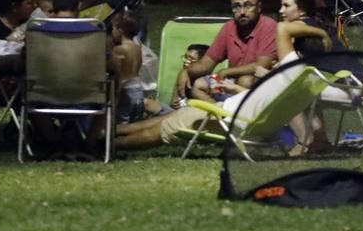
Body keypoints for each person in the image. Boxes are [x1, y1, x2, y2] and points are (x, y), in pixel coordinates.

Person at [116, 17, 332, 149]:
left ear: (299, 52)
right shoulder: (311, 80)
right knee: (168, 118)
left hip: (223, 119)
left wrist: (322, 33)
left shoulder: (292, 67)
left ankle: (109, 143)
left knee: (159, 130)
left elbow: (282, 28)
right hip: (228, 114)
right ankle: (109, 134)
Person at [172, 0, 278, 100]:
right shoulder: (229, 27)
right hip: (232, 81)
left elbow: (261, 65)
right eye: (236, 7)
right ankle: (220, 112)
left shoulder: (268, 26)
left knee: (245, 80)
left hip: (262, 85)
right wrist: (186, 71)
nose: (242, 12)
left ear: (259, 7)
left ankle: (234, 113)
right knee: (197, 84)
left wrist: (226, 71)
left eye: (248, 6)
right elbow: (205, 64)